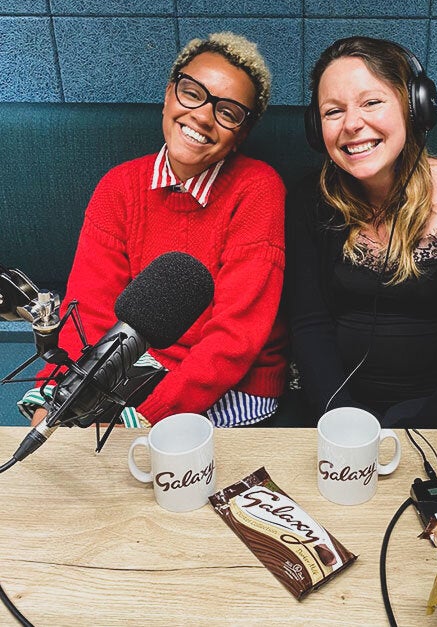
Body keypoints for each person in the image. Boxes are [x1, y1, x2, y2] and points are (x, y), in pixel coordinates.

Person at [22, 32, 287, 428]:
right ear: (168, 94)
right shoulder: (119, 186)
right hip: (131, 370)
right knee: (54, 420)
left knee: (147, 464)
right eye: (192, 93)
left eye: (227, 112)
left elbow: (235, 337)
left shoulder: (258, 189)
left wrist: (148, 417)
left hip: (227, 383)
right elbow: (91, 313)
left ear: (240, 136)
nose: (201, 115)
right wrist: (68, 396)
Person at [284, 36, 437, 429]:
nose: (352, 124)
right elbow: (309, 324)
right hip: (336, 414)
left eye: (372, 102)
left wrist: (422, 428)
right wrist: (342, 420)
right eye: (333, 111)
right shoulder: (308, 200)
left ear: (415, 108)